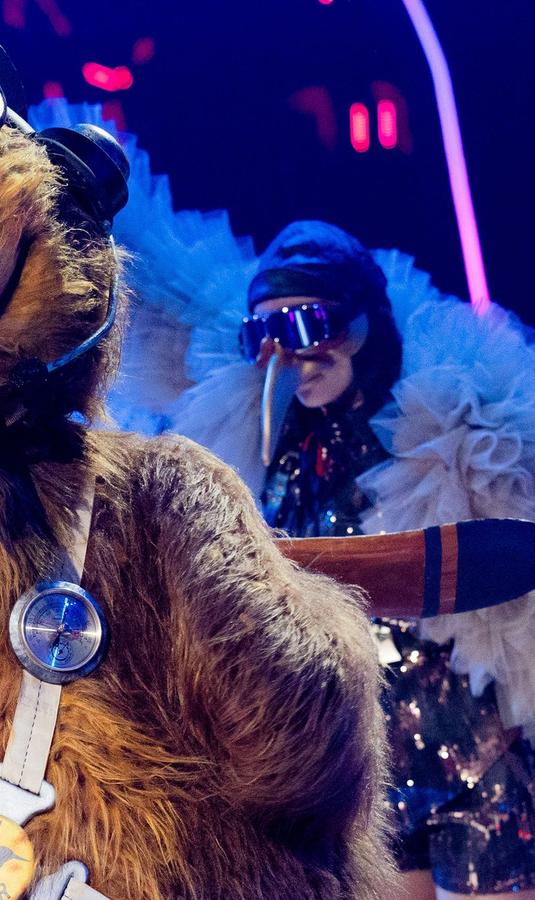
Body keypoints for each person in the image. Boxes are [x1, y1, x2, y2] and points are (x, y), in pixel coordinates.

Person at [100, 150, 535, 900]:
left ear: (362, 319)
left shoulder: (437, 435)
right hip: (371, 765)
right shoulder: (276, 447)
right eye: (265, 336)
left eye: (311, 323)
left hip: (473, 751)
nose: (293, 355)